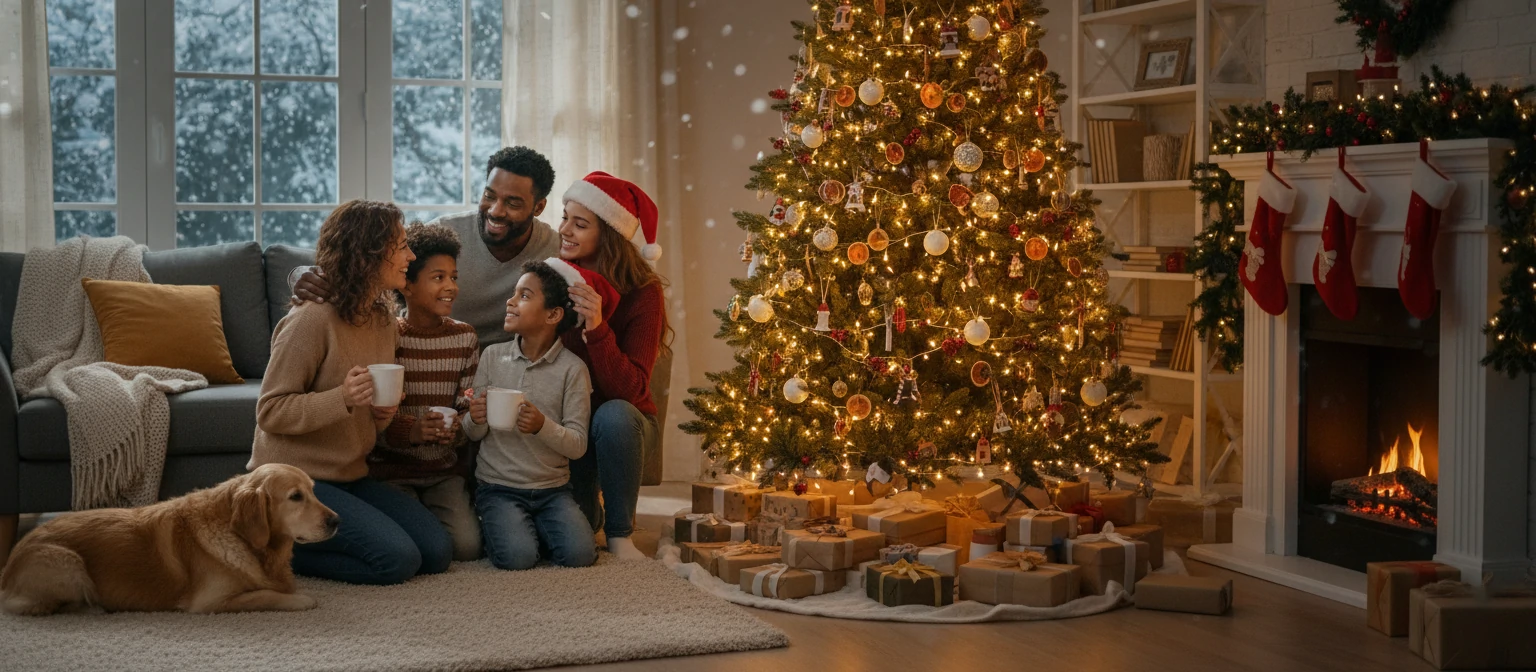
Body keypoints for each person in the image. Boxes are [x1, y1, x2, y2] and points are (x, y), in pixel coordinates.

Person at [250, 200, 452, 585]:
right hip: (297, 479)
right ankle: (267, 550)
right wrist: (340, 398)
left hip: (350, 475)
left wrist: (381, 416)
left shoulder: (382, 319)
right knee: (396, 561)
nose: (411, 255)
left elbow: (368, 416)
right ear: (371, 253)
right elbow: (270, 411)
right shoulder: (311, 318)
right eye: (402, 246)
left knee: (437, 551)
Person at [291, 146, 562, 348]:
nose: (495, 211)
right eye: (489, 195)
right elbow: (363, 258)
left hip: (507, 365)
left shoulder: (553, 249)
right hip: (437, 349)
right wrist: (301, 273)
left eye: (512, 203)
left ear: (538, 207)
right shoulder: (445, 232)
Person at [556, 171, 670, 561]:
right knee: (578, 535)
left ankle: (621, 533)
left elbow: (632, 390)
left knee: (614, 414)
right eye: (565, 217)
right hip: (570, 421)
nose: (564, 230)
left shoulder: (644, 294)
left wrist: (597, 327)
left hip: (626, 423)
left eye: (579, 223)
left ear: (608, 233)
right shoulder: (555, 278)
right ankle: (592, 512)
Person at [465, 261, 598, 570]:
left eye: (524, 295)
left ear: (553, 315)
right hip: (498, 488)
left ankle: (535, 526)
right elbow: (472, 433)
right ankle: (515, 526)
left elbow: (577, 445)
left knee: (580, 555)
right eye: (513, 293)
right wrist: (475, 417)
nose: (510, 302)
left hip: (553, 491)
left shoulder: (573, 369)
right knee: (517, 558)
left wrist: (542, 426)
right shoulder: (492, 357)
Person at [370, 222, 482, 562]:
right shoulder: (387, 335)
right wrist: (413, 430)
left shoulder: (465, 338)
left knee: (467, 548)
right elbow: (373, 414)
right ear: (408, 285)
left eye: (453, 277)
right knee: (422, 549)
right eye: (438, 278)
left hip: (443, 473)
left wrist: (456, 430)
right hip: (392, 471)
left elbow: (467, 403)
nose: (450, 287)